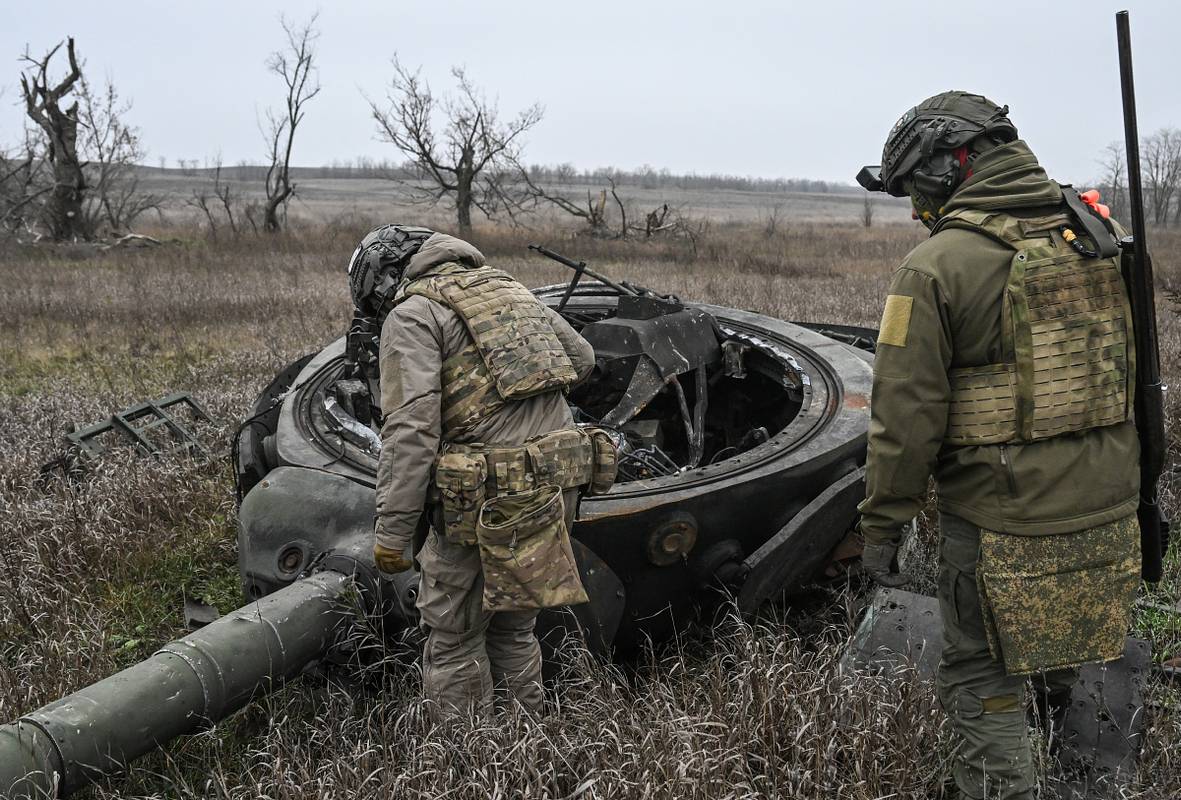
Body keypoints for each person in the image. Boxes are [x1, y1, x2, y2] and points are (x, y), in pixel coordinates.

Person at [856, 92, 1142, 799]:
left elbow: (904, 419)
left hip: (1001, 518)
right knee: (1061, 630)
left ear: (953, 163)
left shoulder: (934, 267)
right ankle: (1054, 716)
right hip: (1109, 504)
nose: (914, 207)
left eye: (916, 186)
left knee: (979, 679)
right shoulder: (1096, 235)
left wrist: (881, 528)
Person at [347, 224, 611, 716]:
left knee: (454, 638)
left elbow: (410, 434)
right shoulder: (506, 285)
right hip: (557, 484)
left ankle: (468, 753)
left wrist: (393, 534)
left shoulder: (413, 314)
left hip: (485, 501)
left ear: (380, 280)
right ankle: (525, 742)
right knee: (514, 628)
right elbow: (582, 359)